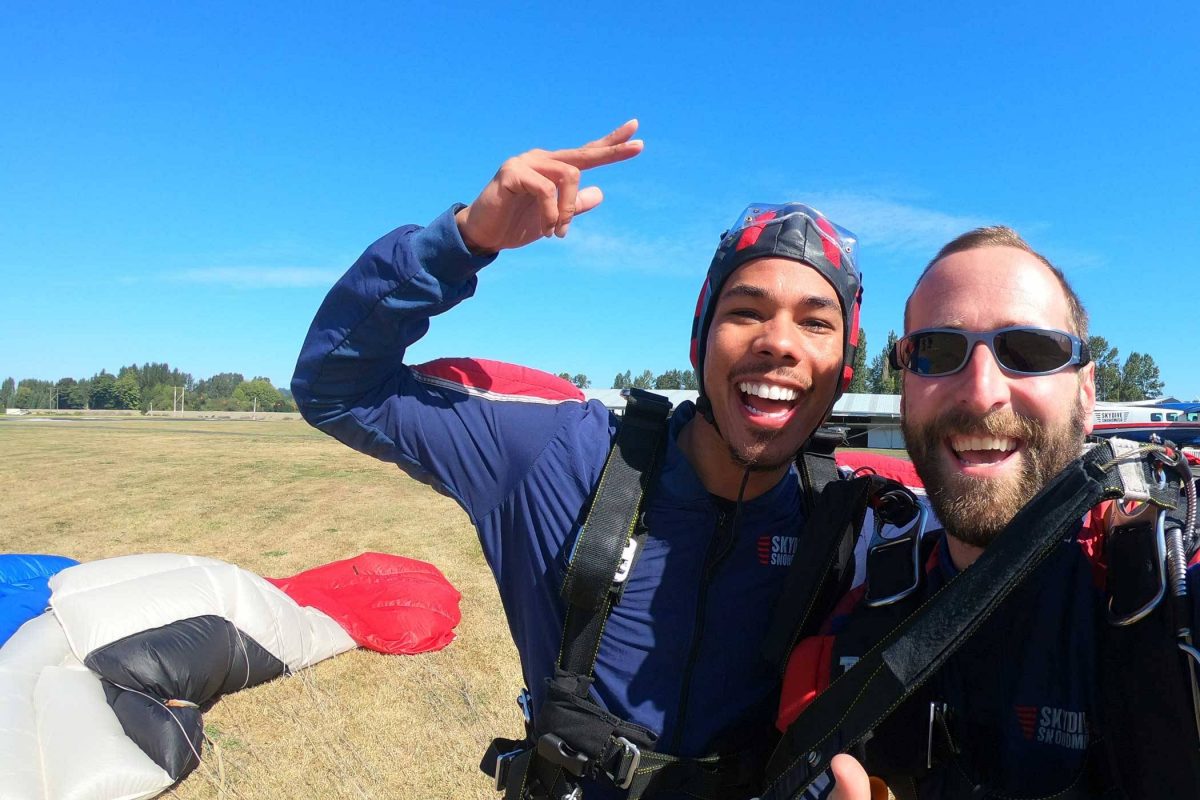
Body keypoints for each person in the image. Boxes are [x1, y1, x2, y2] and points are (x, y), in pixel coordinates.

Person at [291, 120, 867, 799]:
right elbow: (338, 389)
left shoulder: (848, 518)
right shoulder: (559, 454)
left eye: (816, 321)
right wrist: (462, 241)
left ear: (845, 371)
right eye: (745, 310)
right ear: (699, 340)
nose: (779, 342)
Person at [776, 226, 1200, 799]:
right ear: (904, 387)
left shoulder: (1168, 591)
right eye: (936, 351)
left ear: (1086, 391)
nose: (981, 392)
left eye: (1029, 352)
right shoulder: (850, 604)